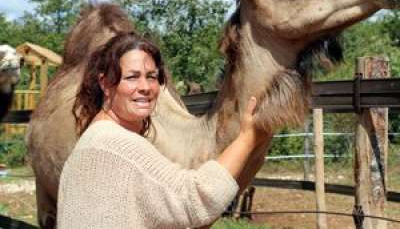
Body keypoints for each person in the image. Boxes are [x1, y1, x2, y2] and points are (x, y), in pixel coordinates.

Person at [57, 32, 269, 229]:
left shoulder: (90, 142)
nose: (145, 87)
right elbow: (197, 199)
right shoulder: (118, 146)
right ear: (105, 84)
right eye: (132, 77)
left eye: (151, 76)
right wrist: (248, 138)